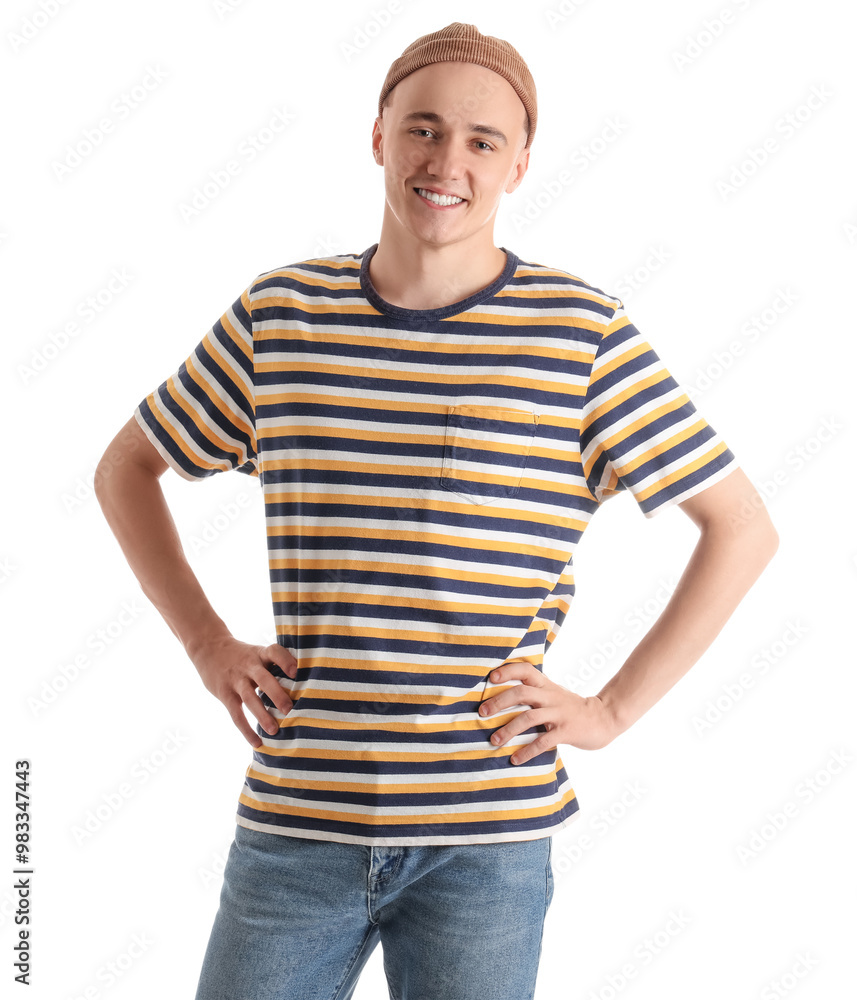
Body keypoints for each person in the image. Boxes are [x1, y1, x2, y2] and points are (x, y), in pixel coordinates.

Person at [94, 21, 778, 1000]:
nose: (445, 159)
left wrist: (610, 710)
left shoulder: (578, 333)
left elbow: (741, 526)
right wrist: (207, 644)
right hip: (298, 821)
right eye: (422, 128)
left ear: (518, 164)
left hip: (483, 840)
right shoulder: (280, 316)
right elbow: (126, 467)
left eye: (480, 139)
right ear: (377, 137)